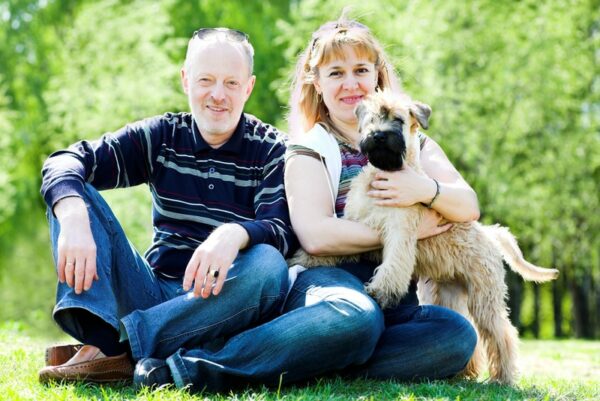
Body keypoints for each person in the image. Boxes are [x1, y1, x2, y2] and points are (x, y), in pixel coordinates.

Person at [38, 27, 295, 385]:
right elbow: (65, 161)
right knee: (74, 191)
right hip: (152, 293)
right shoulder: (163, 136)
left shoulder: (271, 149)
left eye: (231, 83)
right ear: (186, 80)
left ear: (248, 87)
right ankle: (112, 335)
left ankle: (115, 346)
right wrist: (73, 213)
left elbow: (282, 231)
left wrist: (234, 235)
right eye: (206, 80)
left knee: (269, 266)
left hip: (220, 304)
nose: (217, 95)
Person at [284, 14, 480, 381]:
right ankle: (332, 346)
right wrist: (406, 231)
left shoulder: (414, 139)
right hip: (332, 283)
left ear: (377, 74)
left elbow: (467, 206)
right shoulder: (309, 146)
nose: (351, 84)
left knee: (455, 335)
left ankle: (327, 361)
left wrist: (425, 190)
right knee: (358, 316)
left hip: (397, 293)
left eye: (360, 70)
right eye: (336, 73)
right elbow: (317, 237)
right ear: (317, 83)